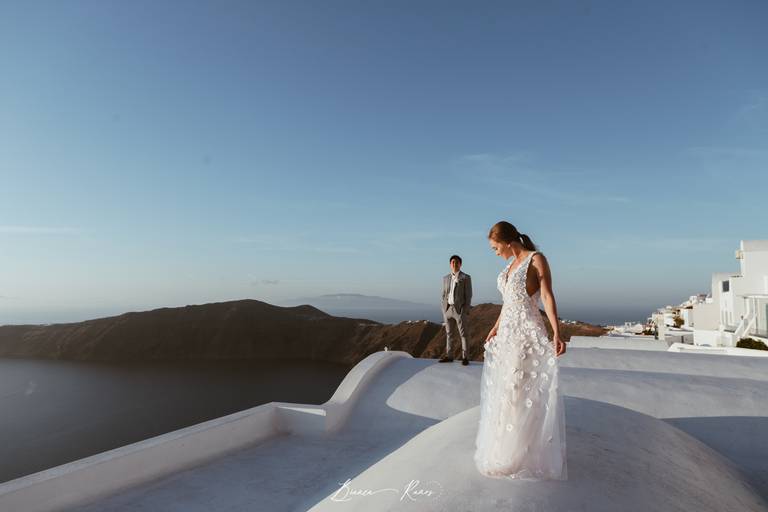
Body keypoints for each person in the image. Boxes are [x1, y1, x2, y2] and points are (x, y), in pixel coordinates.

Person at [474, 221, 568, 480]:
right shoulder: (509, 267)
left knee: (520, 390)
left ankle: (524, 453)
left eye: (495, 248)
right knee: (507, 391)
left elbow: (547, 296)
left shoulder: (536, 259)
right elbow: (508, 303)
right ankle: (508, 449)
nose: (495, 253)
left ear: (507, 242)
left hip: (526, 334)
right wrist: (496, 327)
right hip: (507, 335)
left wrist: (556, 332)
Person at [439, 254, 472, 366]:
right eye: (453, 262)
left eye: (457, 262)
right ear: (450, 264)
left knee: (464, 334)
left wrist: (465, 310)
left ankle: (465, 357)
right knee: (449, 334)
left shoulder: (466, 277)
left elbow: (468, 295)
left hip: (459, 310)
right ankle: (449, 356)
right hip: (448, 309)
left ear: (460, 264)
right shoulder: (445, 278)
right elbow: (444, 294)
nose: (455, 264)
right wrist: (444, 309)